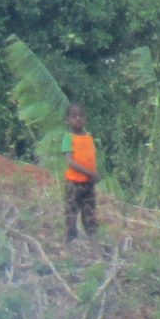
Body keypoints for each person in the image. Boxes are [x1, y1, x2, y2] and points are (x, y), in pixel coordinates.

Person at [62, 102, 98, 241]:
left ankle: (94, 245)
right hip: (74, 183)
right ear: (68, 119)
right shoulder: (68, 138)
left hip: (88, 184)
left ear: (85, 118)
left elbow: (91, 159)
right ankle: (70, 243)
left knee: (90, 214)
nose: (78, 119)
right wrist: (89, 173)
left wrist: (93, 174)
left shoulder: (89, 138)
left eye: (81, 116)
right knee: (71, 214)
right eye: (74, 116)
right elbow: (70, 161)